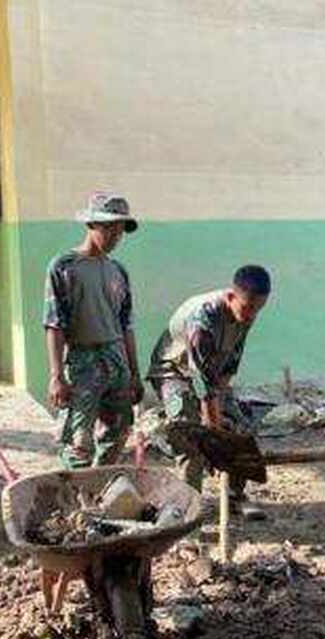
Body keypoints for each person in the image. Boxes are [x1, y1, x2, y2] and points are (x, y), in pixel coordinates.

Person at [148, 265, 272, 521]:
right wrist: (212, 430)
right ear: (231, 297)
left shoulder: (246, 314)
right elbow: (201, 382)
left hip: (210, 376)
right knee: (190, 436)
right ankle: (187, 509)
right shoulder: (202, 319)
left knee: (240, 429)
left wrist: (223, 425)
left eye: (258, 309)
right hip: (174, 373)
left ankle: (234, 495)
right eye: (248, 308)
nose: (251, 316)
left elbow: (228, 367)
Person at [44, 193, 143, 468]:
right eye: (109, 228)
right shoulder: (64, 266)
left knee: (119, 431)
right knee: (77, 442)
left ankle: (100, 487)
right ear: (91, 224)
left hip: (115, 359)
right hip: (82, 361)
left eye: (120, 230)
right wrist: (56, 376)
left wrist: (134, 373)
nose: (115, 236)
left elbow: (126, 325)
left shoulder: (117, 271)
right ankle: (78, 499)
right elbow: (54, 323)